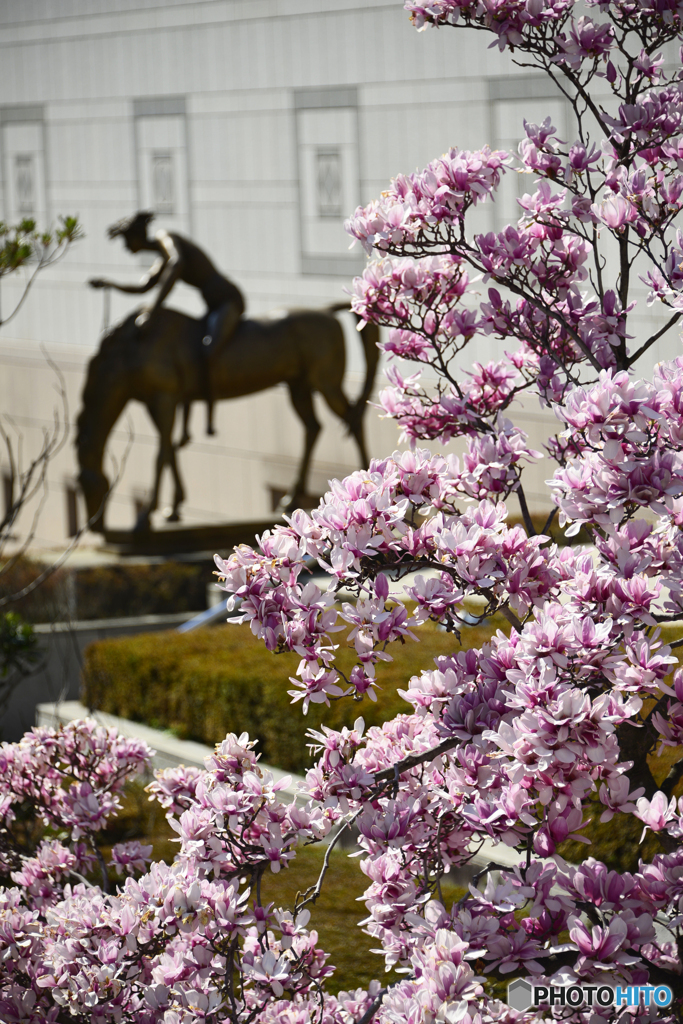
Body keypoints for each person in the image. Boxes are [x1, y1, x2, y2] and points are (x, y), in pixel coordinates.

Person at [89, 211, 245, 435]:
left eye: (127, 241)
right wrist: (110, 284)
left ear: (137, 237)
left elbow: (177, 262)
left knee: (209, 351)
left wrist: (154, 309)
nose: (126, 247)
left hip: (228, 302)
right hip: (213, 307)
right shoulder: (162, 257)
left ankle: (210, 419)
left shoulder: (166, 239)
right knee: (191, 351)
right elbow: (144, 286)